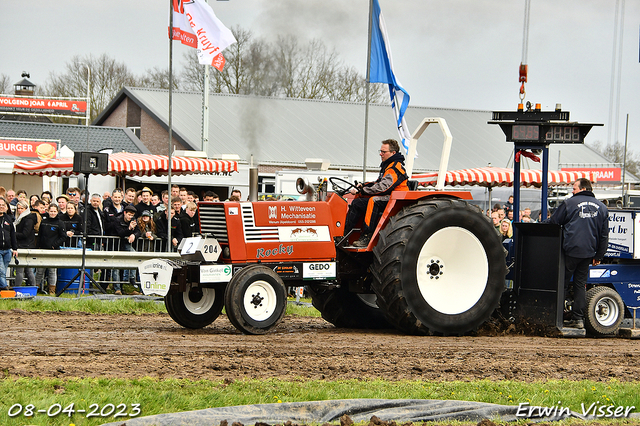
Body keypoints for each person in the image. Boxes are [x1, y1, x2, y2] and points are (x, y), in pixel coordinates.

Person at [548, 178, 609, 329]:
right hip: (588, 252)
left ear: (582, 189)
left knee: (562, 282)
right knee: (580, 284)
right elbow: (604, 235)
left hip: (570, 250)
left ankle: (557, 318)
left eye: (574, 188)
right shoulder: (602, 207)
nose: (572, 191)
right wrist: (599, 256)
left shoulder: (569, 203)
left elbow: (554, 222)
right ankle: (578, 319)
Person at [344, 139, 409, 247]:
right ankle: (344, 233)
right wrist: (363, 186)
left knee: (373, 200)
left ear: (393, 153)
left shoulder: (395, 167)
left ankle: (367, 235)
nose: (380, 154)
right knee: (357, 203)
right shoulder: (387, 165)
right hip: (389, 195)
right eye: (380, 151)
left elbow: (383, 188)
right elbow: (378, 182)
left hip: (397, 197)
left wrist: (364, 190)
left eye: (383, 152)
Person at [36, 203, 66, 294]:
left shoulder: (60, 223)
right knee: (40, 271)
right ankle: (36, 288)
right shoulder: (44, 222)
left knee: (52, 271)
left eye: (54, 211)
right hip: (43, 249)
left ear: (57, 212)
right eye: (51, 211)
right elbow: (40, 235)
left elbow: (63, 237)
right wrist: (38, 247)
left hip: (53, 250)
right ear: (48, 211)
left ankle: (52, 290)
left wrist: (54, 245)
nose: (52, 213)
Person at [112, 204, 141, 294]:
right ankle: (117, 288)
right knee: (116, 267)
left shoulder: (133, 220)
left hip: (126, 244)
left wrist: (134, 235)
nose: (130, 217)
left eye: (132, 215)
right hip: (116, 245)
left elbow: (138, 231)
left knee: (134, 255)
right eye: (129, 214)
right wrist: (129, 229)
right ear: (125, 213)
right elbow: (120, 233)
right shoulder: (117, 220)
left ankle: (132, 278)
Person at [13, 200, 36, 287]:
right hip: (24, 245)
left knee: (21, 270)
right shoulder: (20, 219)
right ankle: (33, 287)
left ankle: (17, 288)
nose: (19, 210)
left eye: (21, 208)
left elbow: (25, 234)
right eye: (18, 208)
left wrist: (13, 234)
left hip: (25, 246)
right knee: (27, 270)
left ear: (26, 208)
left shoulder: (28, 219)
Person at [0, 197, 18, 290]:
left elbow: (12, 234)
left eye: (3, 205)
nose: (1, 207)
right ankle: (4, 288)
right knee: (1, 270)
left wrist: (15, 248)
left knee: (4, 270)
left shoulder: (8, 218)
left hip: (7, 249)